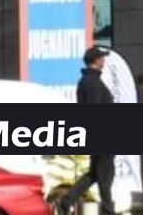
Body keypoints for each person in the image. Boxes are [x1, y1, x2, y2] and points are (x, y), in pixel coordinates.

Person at [55, 46, 116, 215]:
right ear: (96, 60)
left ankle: (66, 201)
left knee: (95, 174)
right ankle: (108, 211)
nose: (104, 60)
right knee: (105, 175)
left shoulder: (87, 81)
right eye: (102, 57)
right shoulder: (93, 83)